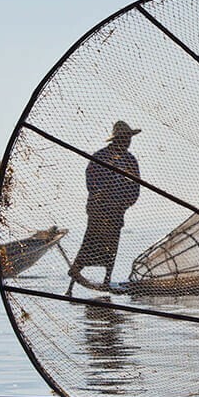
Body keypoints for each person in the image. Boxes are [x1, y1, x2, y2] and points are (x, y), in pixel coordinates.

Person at [68, 120, 142, 293]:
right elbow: (92, 181)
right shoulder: (100, 157)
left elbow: (135, 187)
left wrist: (124, 204)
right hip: (99, 211)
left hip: (117, 211)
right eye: (124, 138)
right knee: (90, 242)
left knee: (112, 247)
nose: (127, 142)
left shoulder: (130, 160)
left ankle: (106, 281)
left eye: (128, 138)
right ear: (117, 139)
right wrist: (101, 195)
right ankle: (72, 280)